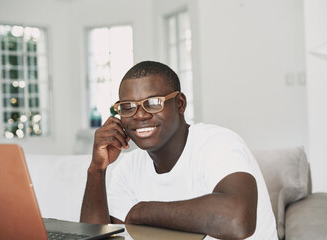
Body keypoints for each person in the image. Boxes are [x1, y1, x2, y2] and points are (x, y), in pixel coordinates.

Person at [80, 61, 277, 239]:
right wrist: (97, 170)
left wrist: (141, 212)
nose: (140, 115)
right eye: (128, 106)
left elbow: (237, 221)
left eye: (153, 103)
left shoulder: (216, 143)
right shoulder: (128, 168)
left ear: (180, 104)